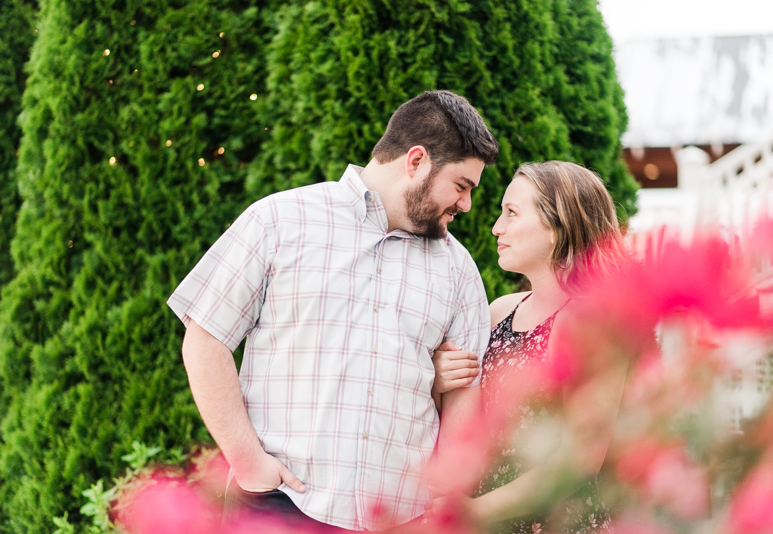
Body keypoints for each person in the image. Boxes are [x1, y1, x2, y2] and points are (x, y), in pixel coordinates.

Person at [166, 90, 499, 531]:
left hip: (402, 520)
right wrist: (248, 464)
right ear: (415, 161)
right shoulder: (279, 221)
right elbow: (205, 338)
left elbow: (462, 399)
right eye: (461, 186)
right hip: (281, 506)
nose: (466, 204)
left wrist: (443, 502)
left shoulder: (458, 270)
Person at [424, 161, 629, 533]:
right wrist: (437, 379)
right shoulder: (499, 311)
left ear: (558, 225)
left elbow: (581, 458)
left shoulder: (592, 322)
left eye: (512, 213)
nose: (496, 228)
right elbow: (461, 419)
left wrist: (477, 511)